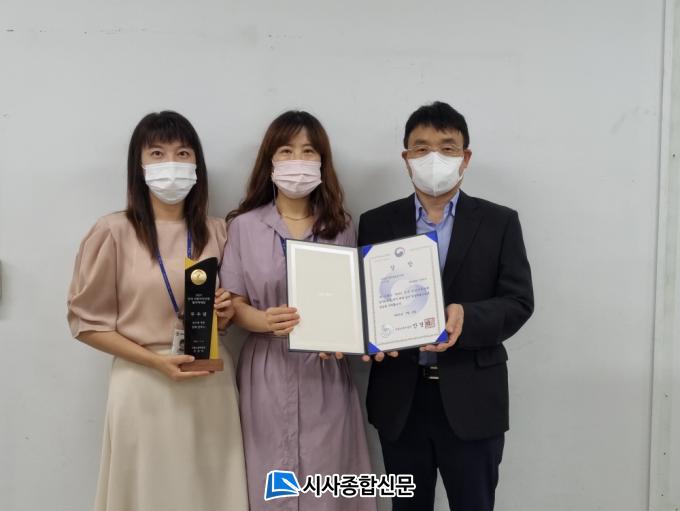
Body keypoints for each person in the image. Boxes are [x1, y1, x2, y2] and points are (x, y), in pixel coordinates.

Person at [67, 111, 248, 511]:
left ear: (197, 165)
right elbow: (86, 323)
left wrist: (225, 313)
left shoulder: (221, 231)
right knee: (147, 493)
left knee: (210, 493)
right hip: (142, 383)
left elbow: (235, 311)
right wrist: (155, 361)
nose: (171, 163)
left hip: (209, 381)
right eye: (157, 153)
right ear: (139, 165)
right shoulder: (112, 232)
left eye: (183, 153)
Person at [358, 101, 534, 511]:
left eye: (447, 147)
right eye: (421, 148)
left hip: (473, 398)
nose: (433, 158)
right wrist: (364, 336)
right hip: (400, 400)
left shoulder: (499, 222)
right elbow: (363, 301)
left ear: (465, 158)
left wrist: (466, 317)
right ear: (406, 159)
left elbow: (519, 301)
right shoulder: (376, 222)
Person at [221, 110, 376, 511]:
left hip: (324, 370)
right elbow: (233, 303)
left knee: (328, 483)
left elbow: (353, 302)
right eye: (286, 151)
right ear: (270, 160)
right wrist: (262, 320)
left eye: (308, 151)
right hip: (266, 370)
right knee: (271, 481)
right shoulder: (243, 226)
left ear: (322, 162)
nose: (297, 161)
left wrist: (346, 332)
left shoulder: (341, 226)